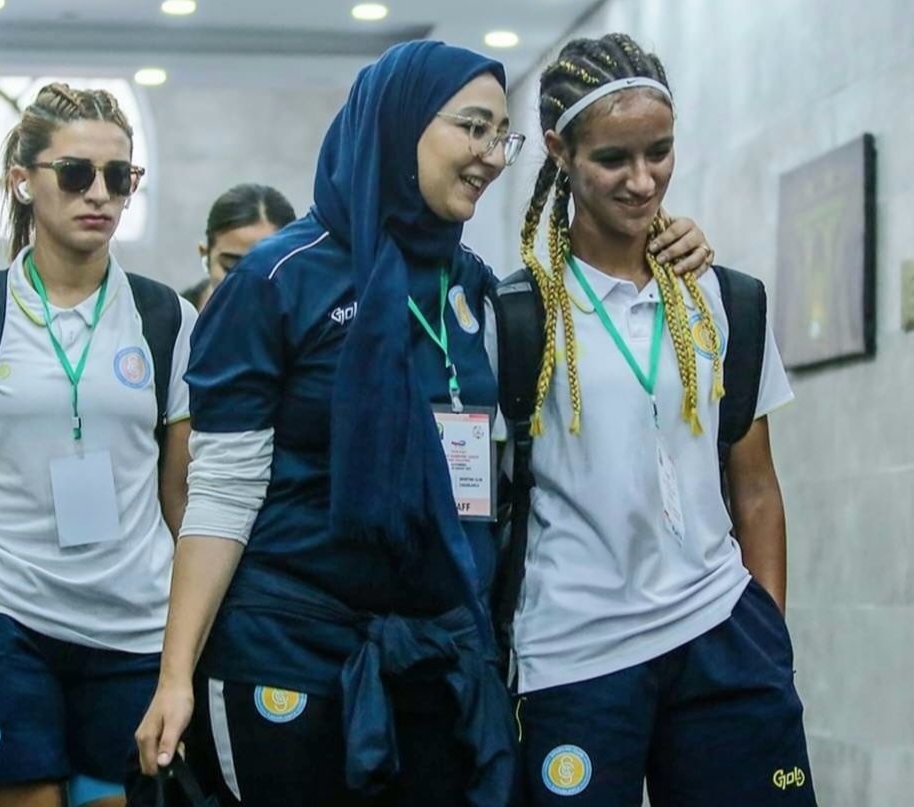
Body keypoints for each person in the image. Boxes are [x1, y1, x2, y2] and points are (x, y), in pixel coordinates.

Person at [133, 40, 710, 807]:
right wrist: (176, 673)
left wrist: (672, 247)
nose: (491, 157)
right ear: (399, 124)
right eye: (472, 128)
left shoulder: (477, 289)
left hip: (434, 656)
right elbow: (223, 492)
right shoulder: (278, 280)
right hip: (289, 647)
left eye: (500, 136)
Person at [505, 33, 817, 806]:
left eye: (660, 152)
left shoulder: (722, 300)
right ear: (559, 151)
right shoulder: (522, 313)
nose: (643, 181)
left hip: (722, 642)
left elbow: (755, 487)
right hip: (576, 656)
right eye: (614, 158)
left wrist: (765, 638)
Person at [0, 82, 197, 807]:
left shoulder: (166, 319)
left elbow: (182, 494)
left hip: (133, 624)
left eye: (119, 177)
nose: (101, 195)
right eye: (76, 173)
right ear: (23, 181)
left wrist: (190, 641)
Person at [199, 183, 296, 284]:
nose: (245, 285)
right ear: (205, 256)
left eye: (267, 272)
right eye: (230, 268)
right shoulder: (184, 299)